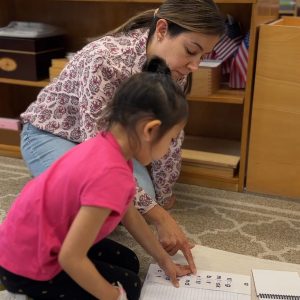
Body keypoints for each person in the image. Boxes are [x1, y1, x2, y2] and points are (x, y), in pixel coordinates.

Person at [20, 0, 226, 261]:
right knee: (93, 202)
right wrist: (158, 216)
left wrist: (161, 199)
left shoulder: (175, 68)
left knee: (136, 203)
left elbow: (170, 136)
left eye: (202, 56)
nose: (195, 65)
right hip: (50, 134)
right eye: (191, 50)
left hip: (110, 145)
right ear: (162, 29)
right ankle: (48, 185)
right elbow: (93, 152)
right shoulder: (105, 58)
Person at [0, 58, 195, 300]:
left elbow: (129, 212)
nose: (169, 148)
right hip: (26, 266)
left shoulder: (107, 146)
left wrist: (163, 259)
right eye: (171, 139)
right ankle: (21, 295)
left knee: (129, 261)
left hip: (28, 240)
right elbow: (70, 257)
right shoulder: (111, 175)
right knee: (131, 287)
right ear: (150, 130)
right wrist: (113, 296)